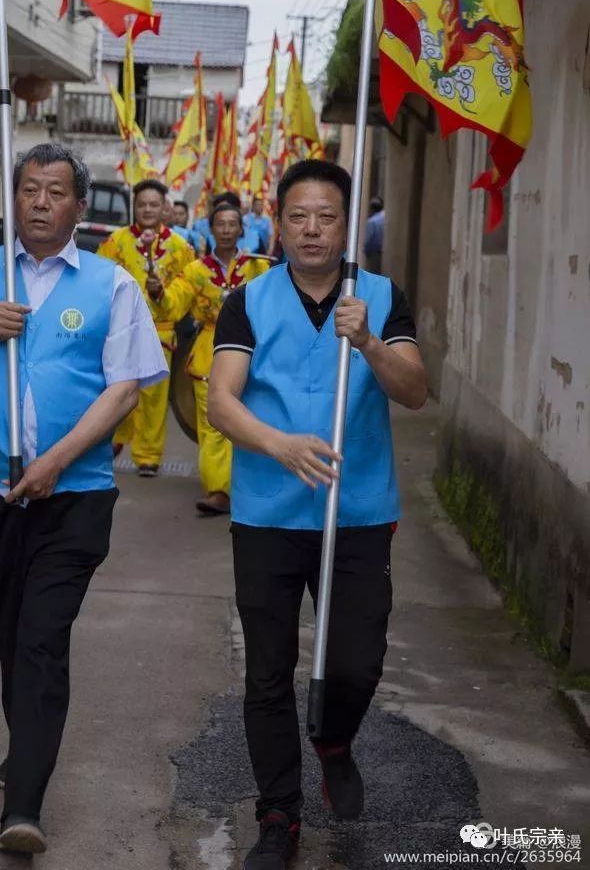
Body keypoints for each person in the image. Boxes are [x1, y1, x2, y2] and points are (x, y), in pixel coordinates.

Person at [0, 143, 167, 855]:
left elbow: (125, 388)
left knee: (41, 636)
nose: (40, 203)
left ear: (79, 208)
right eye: (30, 189)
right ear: (14, 198)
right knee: (9, 625)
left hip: (75, 495)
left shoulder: (112, 286)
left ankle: (23, 804)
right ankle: (25, 744)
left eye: (56, 192)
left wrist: (59, 458)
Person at [208, 159, 426, 870]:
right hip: (269, 515)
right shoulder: (248, 300)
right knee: (267, 674)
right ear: (279, 220)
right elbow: (221, 401)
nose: (311, 229)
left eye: (326, 216)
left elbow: (416, 390)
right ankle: (279, 818)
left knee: (358, 662)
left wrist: (365, 340)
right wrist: (279, 445)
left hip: (359, 512)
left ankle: (333, 740)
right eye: (298, 215)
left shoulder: (382, 298)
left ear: (346, 223)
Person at [148, 202, 270, 516]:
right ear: (211, 229)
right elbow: (175, 302)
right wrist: (160, 293)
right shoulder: (196, 271)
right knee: (215, 424)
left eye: (233, 224)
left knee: (250, 422)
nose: (227, 229)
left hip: (252, 355)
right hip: (208, 353)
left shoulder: (259, 268)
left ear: (241, 229)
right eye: (221, 224)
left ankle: (244, 485)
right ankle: (218, 490)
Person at [97, 178, 194, 477]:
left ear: (165, 208)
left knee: (153, 396)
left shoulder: (180, 248)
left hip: (160, 330)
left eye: (154, 204)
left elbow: (188, 287)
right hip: (121, 330)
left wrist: (161, 294)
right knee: (117, 386)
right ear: (133, 207)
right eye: (142, 204)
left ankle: (149, 454)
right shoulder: (116, 243)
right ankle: (115, 437)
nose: (148, 209)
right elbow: (100, 281)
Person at [364, 195, 385, 275]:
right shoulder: (384, 218)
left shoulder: (371, 221)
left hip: (374, 253)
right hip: (382, 252)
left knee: (372, 274)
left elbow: (368, 240)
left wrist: (366, 251)